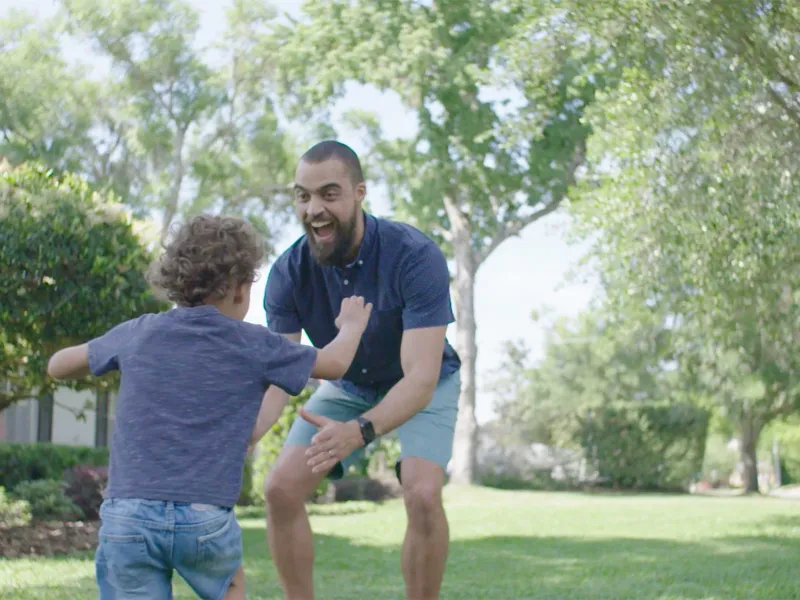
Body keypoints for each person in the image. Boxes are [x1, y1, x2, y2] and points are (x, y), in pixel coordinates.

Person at [46, 214, 373, 600]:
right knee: (229, 585)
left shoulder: (139, 332)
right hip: (204, 517)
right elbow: (334, 364)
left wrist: (103, 353)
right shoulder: (252, 343)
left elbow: (58, 366)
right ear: (239, 289)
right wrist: (351, 326)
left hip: (129, 514)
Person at [260, 140, 462, 600]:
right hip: (349, 385)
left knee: (423, 493)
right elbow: (280, 375)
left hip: (423, 383)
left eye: (329, 194)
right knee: (280, 490)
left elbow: (421, 378)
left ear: (359, 192)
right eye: (303, 196)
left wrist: (361, 430)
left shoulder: (414, 255)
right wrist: (246, 433)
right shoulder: (288, 273)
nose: (314, 209)